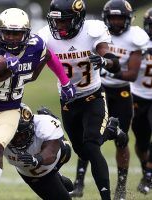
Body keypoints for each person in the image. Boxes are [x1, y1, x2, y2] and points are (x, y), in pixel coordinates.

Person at [0, 7, 75, 200]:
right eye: (7, 33)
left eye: (17, 34)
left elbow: (47, 57)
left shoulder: (35, 46)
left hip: (10, 109)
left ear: (26, 34)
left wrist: (65, 82)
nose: (11, 38)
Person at [37, 0, 130, 199]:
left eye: (65, 21)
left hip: (93, 96)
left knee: (91, 146)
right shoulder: (45, 35)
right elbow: (33, 65)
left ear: (78, 19)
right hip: (68, 102)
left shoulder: (92, 31)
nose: (59, 26)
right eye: (56, 21)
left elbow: (115, 64)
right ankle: (111, 130)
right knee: (82, 151)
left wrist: (104, 61)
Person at [69, 1, 149, 199]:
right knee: (88, 137)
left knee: (123, 142)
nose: (116, 22)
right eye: (112, 17)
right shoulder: (96, 32)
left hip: (121, 93)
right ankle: (79, 183)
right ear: (105, 18)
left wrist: (107, 66)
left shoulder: (136, 38)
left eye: (120, 18)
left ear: (128, 19)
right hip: (98, 90)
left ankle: (121, 188)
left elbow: (131, 75)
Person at [4, 104, 73, 200]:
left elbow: (52, 151)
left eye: (22, 135)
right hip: (35, 175)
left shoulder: (42, 123)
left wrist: (37, 159)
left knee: (65, 150)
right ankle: (58, 178)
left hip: (58, 158)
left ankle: (52, 117)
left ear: (31, 126)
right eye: (15, 136)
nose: (19, 140)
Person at [131, 7, 152, 195]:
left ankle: (149, 175)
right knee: (141, 141)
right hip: (137, 96)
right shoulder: (138, 42)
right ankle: (146, 169)